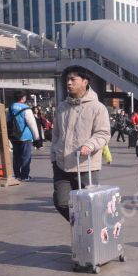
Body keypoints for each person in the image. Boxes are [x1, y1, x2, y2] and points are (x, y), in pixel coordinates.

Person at [51, 66, 111, 221]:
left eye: (73, 79)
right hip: (61, 164)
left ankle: (91, 235)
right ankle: (81, 225)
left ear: (85, 82)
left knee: (89, 205)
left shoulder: (97, 108)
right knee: (61, 202)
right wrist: (54, 156)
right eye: (67, 79)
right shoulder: (62, 107)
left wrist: (89, 145)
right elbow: (56, 134)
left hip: (86, 165)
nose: (68, 83)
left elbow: (103, 133)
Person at [7, 92, 40, 181]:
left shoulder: (10, 108)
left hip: (14, 136)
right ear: (22, 98)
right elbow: (32, 124)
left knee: (16, 156)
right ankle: (25, 176)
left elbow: (8, 121)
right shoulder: (26, 108)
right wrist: (36, 137)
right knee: (26, 156)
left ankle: (17, 175)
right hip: (25, 136)